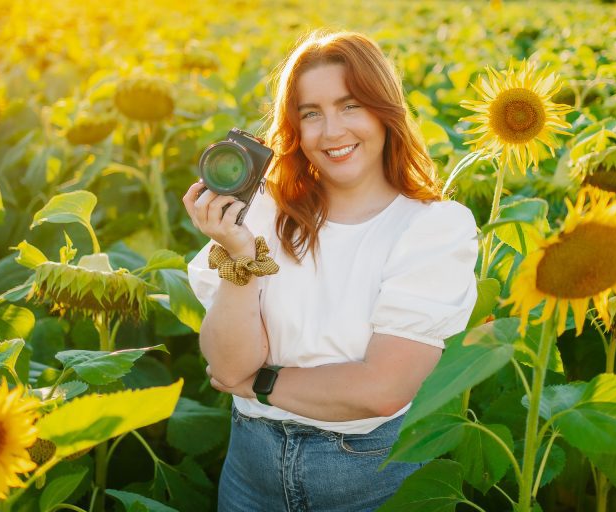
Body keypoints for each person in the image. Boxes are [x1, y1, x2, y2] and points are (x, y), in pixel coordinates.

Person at [182, 30, 478, 512]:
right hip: (248, 471)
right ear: (294, 128)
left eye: (350, 105)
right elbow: (228, 364)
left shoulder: (432, 227)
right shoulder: (263, 210)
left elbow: (381, 389)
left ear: (385, 111)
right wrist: (239, 256)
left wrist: (260, 384)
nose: (332, 131)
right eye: (311, 113)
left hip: (366, 478)